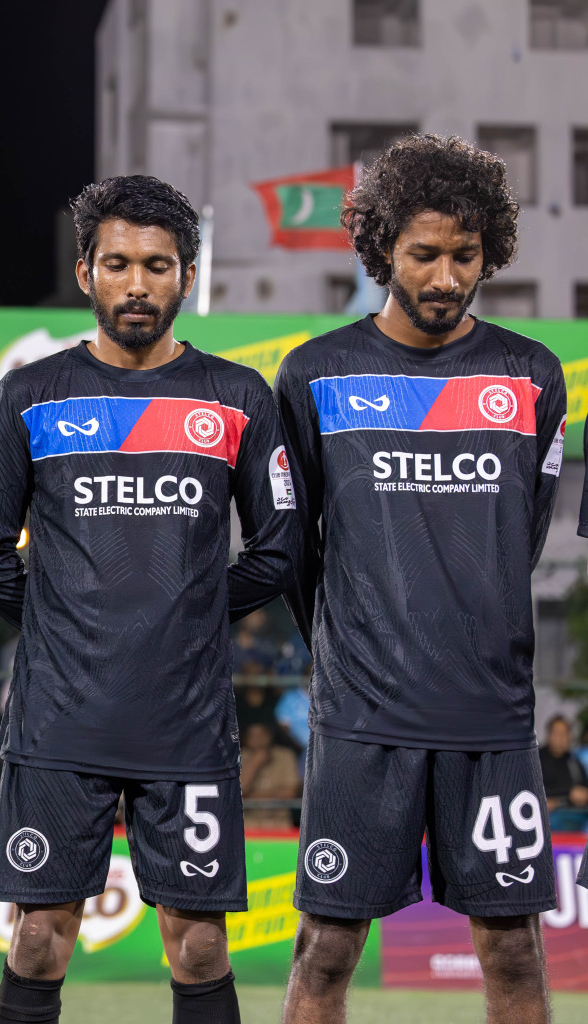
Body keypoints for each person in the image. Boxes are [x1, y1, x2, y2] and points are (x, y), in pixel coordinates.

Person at [0, 174, 300, 1024]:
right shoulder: (32, 394)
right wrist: (64, 625)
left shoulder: (237, 396)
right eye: (118, 264)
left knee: (200, 945)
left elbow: (280, 548)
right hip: (59, 721)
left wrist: (183, 616)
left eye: (158, 265)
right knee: (40, 934)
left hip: (185, 723)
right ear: (86, 273)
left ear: (187, 275)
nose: (138, 284)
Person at [275, 134, 566, 1024]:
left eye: (465, 256)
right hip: (364, 717)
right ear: (381, 252)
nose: (445, 277)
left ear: (492, 254)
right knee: (325, 951)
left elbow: (518, 540)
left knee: (514, 953)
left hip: (491, 713)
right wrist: (350, 648)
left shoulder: (530, 374)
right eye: (424, 254)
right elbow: (296, 551)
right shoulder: (316, 373)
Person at [239, 723, 301, 829]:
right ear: (246, 738)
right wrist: (255, 764)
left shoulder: (286, 755)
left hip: (281, 824)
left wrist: (251, 797)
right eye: (252, 735)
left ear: (269, 736)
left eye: (261, 734)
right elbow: (238, 792)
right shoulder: (239, 756)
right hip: (249, 825)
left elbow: (291, 793)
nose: (258, 739)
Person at [539, 715, 588, 831]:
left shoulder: (574, 761)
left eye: (565, 733)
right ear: (549, 734)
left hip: (576, 813)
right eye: (558, 733)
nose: (561, 738)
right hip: (550, 815)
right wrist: (568, 793)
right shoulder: (537, 761)